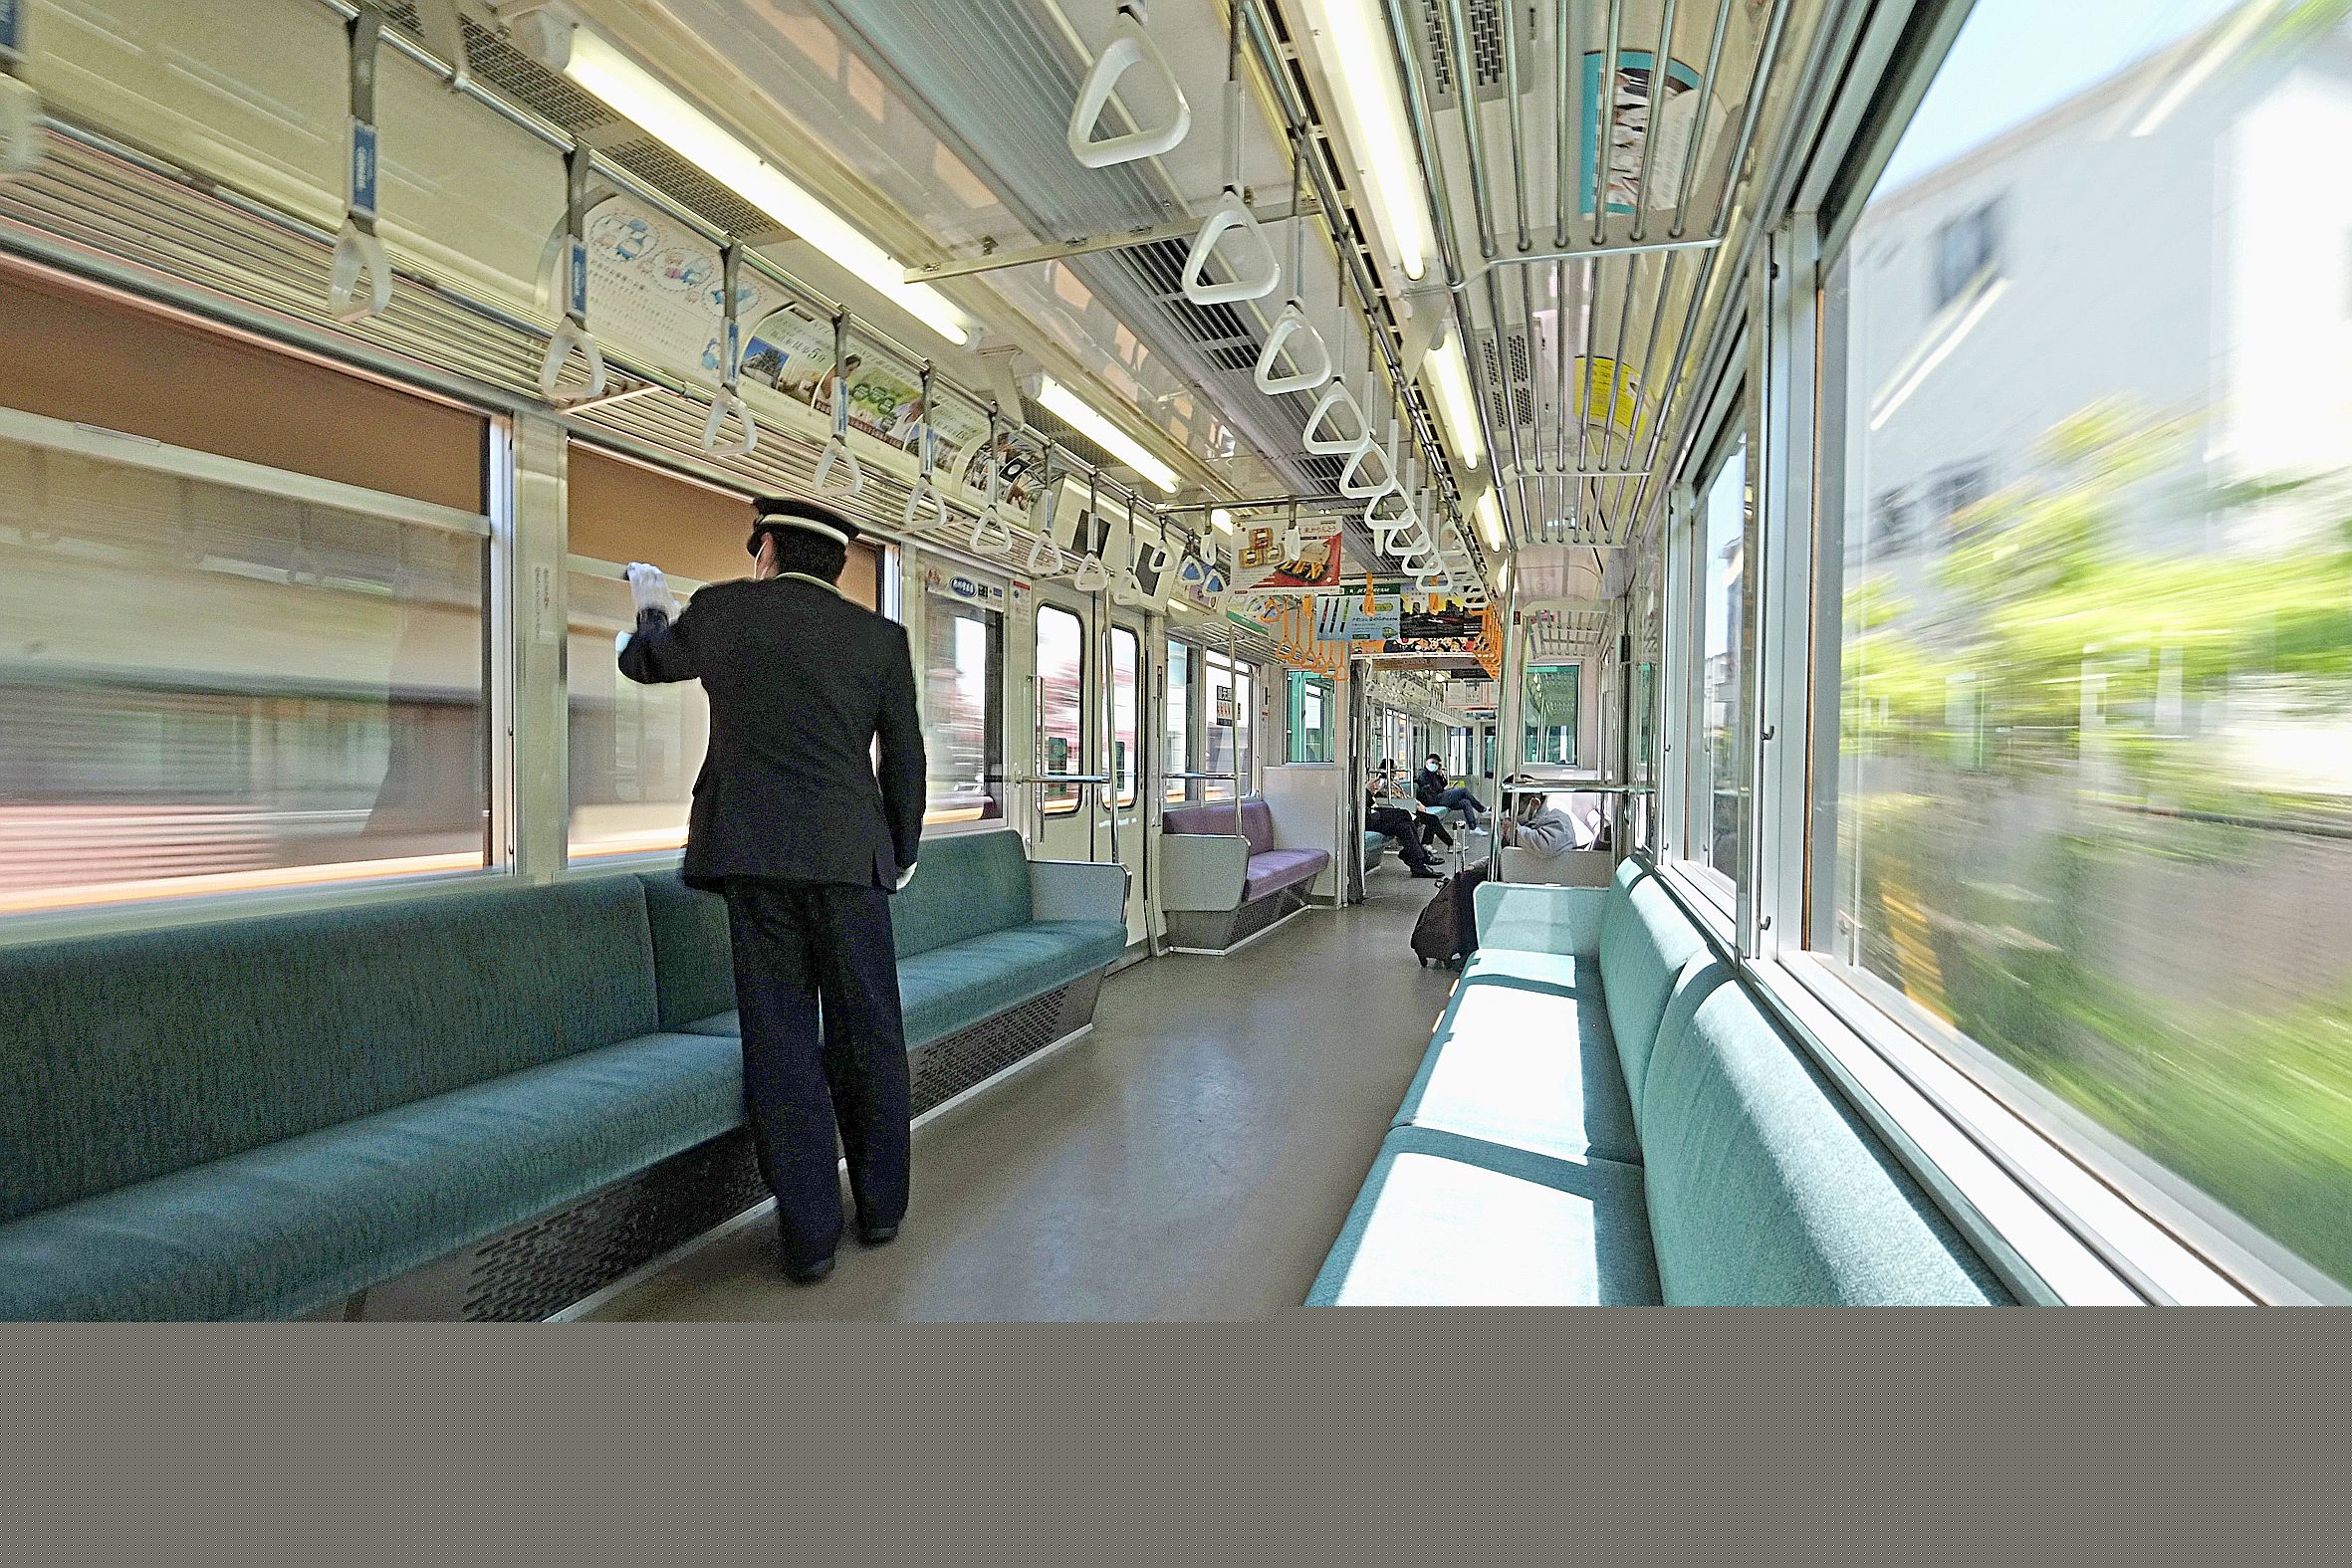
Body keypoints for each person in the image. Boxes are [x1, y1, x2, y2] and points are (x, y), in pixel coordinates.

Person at [618, 498, 925, 1286]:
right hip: (854, 859)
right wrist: (902, 848)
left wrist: (652, 612)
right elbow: (905, 757)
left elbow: (646, 661)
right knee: (869, 1032)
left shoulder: (724, 611)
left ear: (766, 551)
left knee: (782, 1042)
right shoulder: (879, 639)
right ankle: (883, 1206)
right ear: (837, 564)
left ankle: (810, 1238)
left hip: (755, 859)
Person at [1365, 781, 1444, 880]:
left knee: (1404, 826)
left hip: (1371, 815)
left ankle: (1417, 864)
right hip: (1366, 819)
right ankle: (1418, 857)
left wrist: (1370, 793)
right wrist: (1367, 791)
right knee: (1404, 814)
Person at [1495, 784, 1580, 859]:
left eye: (1515, 809)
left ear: (1534, 803)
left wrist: (1514, 832)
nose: (1511, 814)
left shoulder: (1558, 819)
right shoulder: (1529, 823)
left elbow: (1546, 846)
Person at [1416, 754, 1485, 830]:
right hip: (1434, 800)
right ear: (1426, 762)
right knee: (1463, 791)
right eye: (1432, 762)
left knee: (1465, 802)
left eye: (1436, 764)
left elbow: (1443, 785)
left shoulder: (1434, 774)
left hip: (1439, 798)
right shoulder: (1424, 775)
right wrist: (1444, 790)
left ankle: (1473, 828)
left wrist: (1441, 774)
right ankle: (1482, 809)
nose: (1434, 765)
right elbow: (1431, 791)